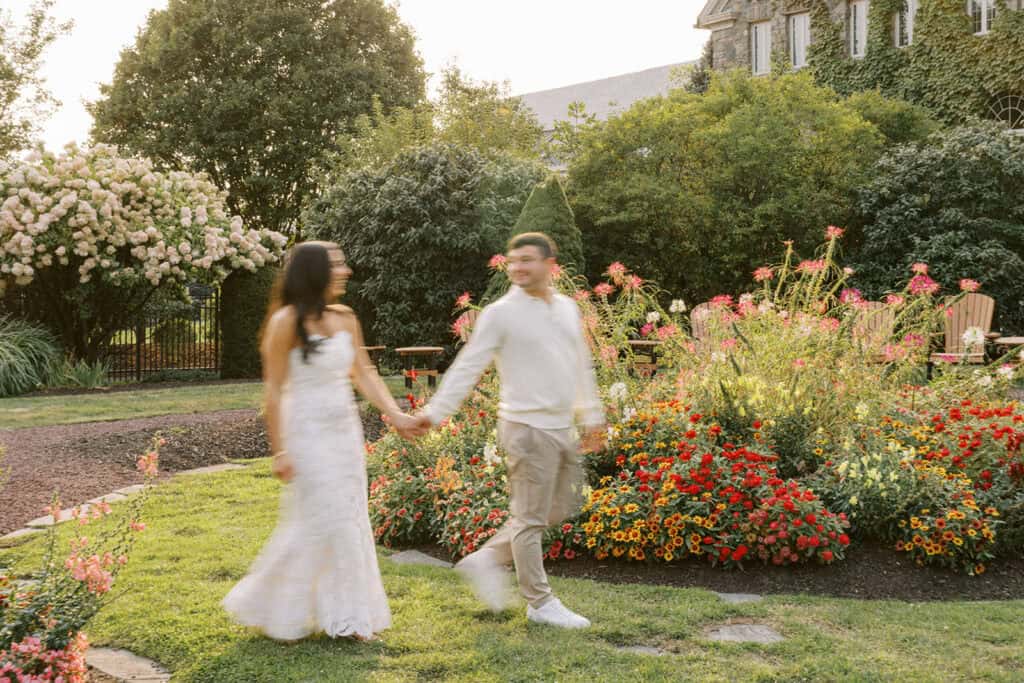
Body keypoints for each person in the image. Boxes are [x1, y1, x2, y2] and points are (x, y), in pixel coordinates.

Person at [223, 241, 421, 642]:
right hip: (306, 434)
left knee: (349, 518)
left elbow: (363, 373)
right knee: (321, 520)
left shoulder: (346, 318)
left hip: (344, 432)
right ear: (315, 272)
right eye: (337, 264)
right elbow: (273, 390)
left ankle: (347, 617)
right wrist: (280, 449)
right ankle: (278, 606)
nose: (345, 271)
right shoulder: (285, 322)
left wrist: (396, 414)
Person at [413, 232, 606, 629]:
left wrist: (592, 416)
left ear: (550, 264)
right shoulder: (500, 313)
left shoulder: (567, 308)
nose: (517, 267)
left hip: (560, 427)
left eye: (527, 260)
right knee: (530, 518)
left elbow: (580, 365)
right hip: (525, 427)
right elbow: (469, 365)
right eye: (513, 260)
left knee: (560, 506)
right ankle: (540, 602)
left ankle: (486, 559)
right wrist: (435, 412)